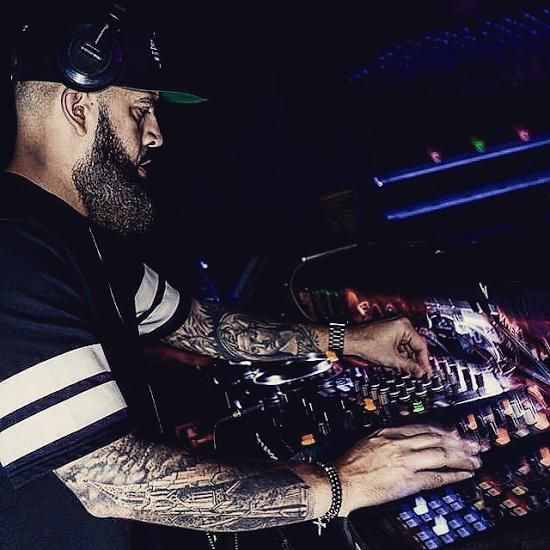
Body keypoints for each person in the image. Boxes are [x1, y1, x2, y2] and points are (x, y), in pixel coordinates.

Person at [0, 14, 482, 550]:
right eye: (140, 109)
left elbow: (200, 326)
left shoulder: (74, 239)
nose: (156, 133)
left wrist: (350, 339)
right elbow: (110, 483)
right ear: (77, 106)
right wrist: (344, 483)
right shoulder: (14, 251)